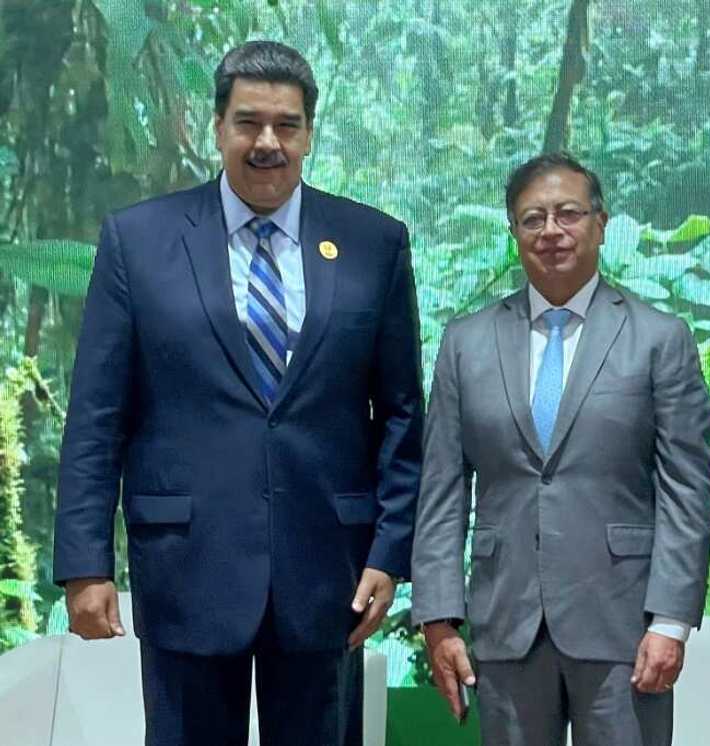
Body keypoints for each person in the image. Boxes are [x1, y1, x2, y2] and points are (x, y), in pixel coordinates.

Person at [53, 40, 424, 746]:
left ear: (310, 133)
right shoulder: (139, 240)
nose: (267, 142)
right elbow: (98, 414)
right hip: (184, 566)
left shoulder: (374, 242)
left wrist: (389, 550)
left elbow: (403, 412)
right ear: (216, 127)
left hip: (326, 574)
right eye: (248, 122)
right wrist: (85, 563)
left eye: (286, 125)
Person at [411, 152, 710, 746]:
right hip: (506, 624)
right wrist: (439, 619)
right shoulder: (465, 343)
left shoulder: (660, 338)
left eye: (568, 214)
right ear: (514, 234)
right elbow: (442, 491)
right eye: (533, 218)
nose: (551, 230)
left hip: (624, 626)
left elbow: (688, 492)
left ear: (600, 225)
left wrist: (672, 621)